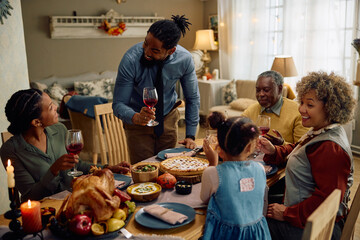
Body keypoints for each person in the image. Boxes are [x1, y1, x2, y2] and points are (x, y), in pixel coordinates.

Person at [259, 71, 356, 240]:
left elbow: (326, 203)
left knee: (249, 225)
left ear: (330, 108)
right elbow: (299, 150)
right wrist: (274, 151)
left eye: (309, 105)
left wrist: (287, 213)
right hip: (306, 217)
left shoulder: (330, 148)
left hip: (319, 229)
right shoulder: (321, 131)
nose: (301, 109)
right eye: (302, 102)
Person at [0, 89, 131, 202]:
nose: (56, 106)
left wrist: (108, 168)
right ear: (36, 122)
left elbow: (77, 164)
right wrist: (53, 170)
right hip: (45, 211)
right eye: (51, 107)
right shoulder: (11, 150)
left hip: (74, 200)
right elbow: (30, 196)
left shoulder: (59, 130)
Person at [113, 15, 200, 164]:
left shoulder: (184, 59)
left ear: (171, 50)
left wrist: (190, 135)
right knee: (144, 171)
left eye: (154, 50)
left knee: (169, 168)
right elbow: (118, 104)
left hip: (168, 117)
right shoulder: (130, 59)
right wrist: (136, 117)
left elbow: (192, 98)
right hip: (138, 122)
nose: (146, 52)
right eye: (145, 44)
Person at [200, 112, 271, 239]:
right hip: (256, 234)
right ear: (250, 148)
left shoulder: (212, 173)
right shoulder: (261, 169)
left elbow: (204, 199)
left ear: (218, 148)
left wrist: (212, 162)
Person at [242, 70, 308, 145]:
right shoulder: (251, 110)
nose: (261, 94)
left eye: (266, 90)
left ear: (280, 89)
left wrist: (281, 144)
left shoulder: (298, 111)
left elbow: (301, 148)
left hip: (285, 156)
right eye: (258, 90)